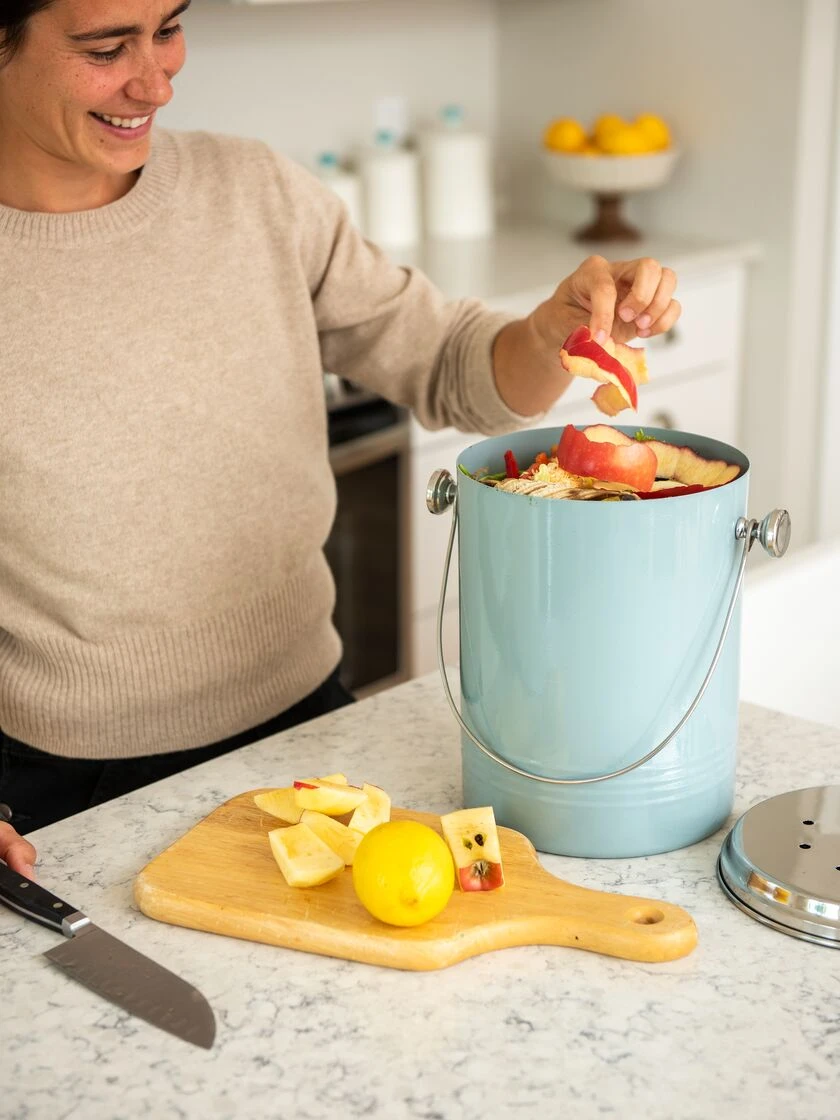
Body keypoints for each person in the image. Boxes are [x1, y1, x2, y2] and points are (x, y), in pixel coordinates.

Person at [0, 0, 681, 878]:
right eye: (106, 47)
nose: (156, 79)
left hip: (308, 731)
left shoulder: (254, 192)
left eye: (167, 28)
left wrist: (552, 333)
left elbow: (449, 363)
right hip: (64, 790)